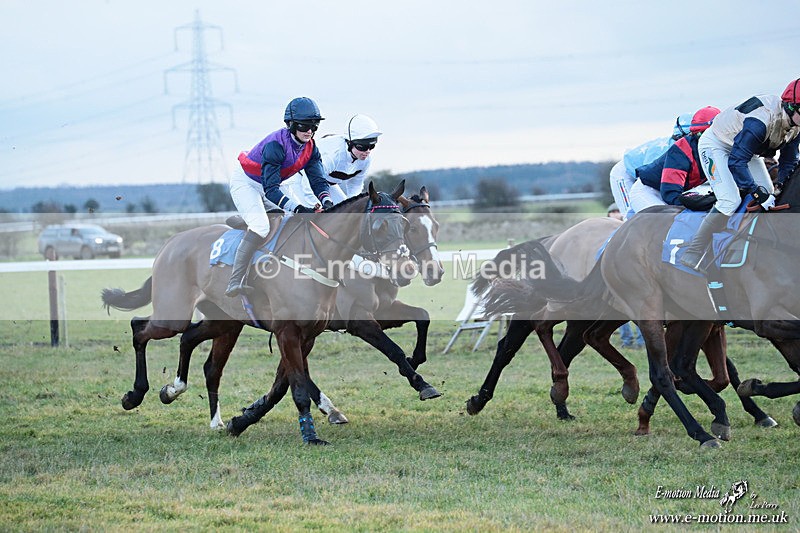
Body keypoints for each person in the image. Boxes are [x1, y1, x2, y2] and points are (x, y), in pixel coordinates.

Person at [680, 79, 800, 272]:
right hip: (717, 145)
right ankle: (694, 250)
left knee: (769, 191)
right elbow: (736, 161)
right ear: (791, 106)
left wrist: (780, 188)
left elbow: (788, 162)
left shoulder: (796, 124)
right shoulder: (760, 122)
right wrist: (757, 194)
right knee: (730, 199)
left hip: (746, 149)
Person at [226, 96, 334, 297]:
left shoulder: (311, 147)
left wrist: (327, 199)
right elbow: (271, 190)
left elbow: (318, 180)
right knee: (261, 227)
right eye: (305, 126)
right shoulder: (276, 146)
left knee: (294, 220)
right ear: (291, 124)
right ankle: (235, 280)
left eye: (314, 126)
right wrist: (300, 208)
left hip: (269, 185)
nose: (309, 131)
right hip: (248, 183)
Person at [628, 106, 721, 213]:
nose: (704, 139)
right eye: (699, 134)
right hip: (648, 191)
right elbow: (671, 193)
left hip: (673, 191)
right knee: (669, 221)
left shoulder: (724, 148)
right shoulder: (682, 150)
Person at [283, 114, 382, 206]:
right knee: (307, 214)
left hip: (327, 184)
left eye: (371, 146)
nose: (367, 151)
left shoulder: (366, 160)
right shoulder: (334, 155)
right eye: (363, 147)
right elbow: (309, 182)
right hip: (301, 179)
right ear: (349, 143)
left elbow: (355, 185)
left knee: (346, 213)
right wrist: (315, 205)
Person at [609, 113, 693, 219]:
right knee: (630, 215)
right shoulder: (663, 150)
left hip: (642, 175)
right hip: (624, 174)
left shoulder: (680, 146)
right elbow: (647, 180)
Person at [606, 203, 644, 347]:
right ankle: (626, 339)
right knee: (620, 310)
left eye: (617, 211)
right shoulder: (610, 232)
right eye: (612, 212)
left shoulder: (630, 228)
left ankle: (641, 340)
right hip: (618, 274)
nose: (615, 214)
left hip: (633, 274)